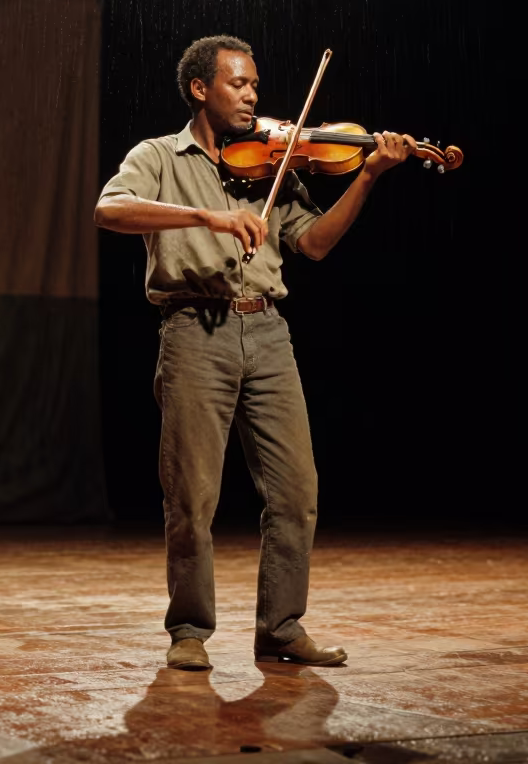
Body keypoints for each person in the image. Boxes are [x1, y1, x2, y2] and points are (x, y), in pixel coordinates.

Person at [94, 35, 414, 670]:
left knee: (297, 490)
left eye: (255, 86)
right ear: (199, 89)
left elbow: (316, 244)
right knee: (192, 494)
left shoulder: (275, 164)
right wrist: (207, 218)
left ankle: (281, 627)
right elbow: (110, 210)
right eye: (238, 84)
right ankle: (189, 630)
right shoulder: (159, 155)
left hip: (267, 331)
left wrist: (370, 175)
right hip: (193, 330)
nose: (252, 97)